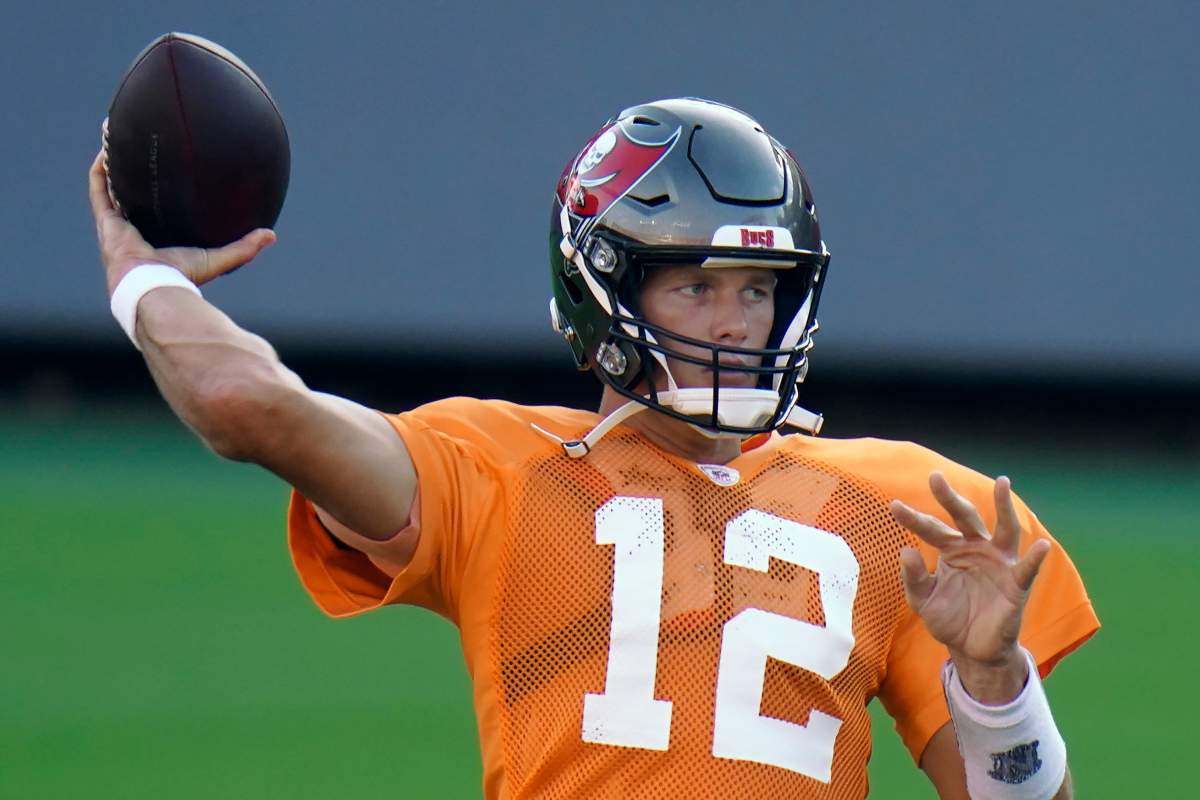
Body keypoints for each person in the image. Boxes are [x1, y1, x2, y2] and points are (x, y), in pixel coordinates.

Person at [89, 98, 1098, 799]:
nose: (737, 320)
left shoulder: (906, 507)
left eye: (757, 289)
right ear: (606, 286)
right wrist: (147, 280)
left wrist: (995, 676)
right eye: (693, 284)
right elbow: (241, 398)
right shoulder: (494, 466)